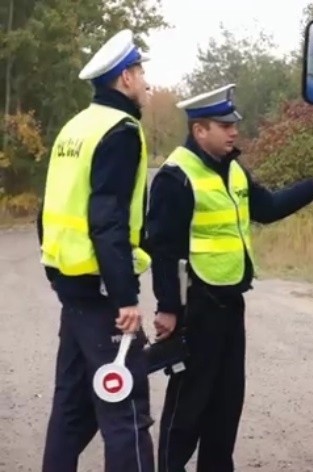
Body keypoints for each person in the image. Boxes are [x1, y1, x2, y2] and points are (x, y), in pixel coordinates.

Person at [145, 83, 313, 471]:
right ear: (200, 130)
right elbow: (163, 249)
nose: (233, 131)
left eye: (233, 123)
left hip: (230, 303)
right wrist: (168, 308)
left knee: (225, 404)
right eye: (224, 125)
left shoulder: (232, 168)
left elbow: (267, 208)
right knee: (189, 403)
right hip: (195, 307)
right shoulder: (176, 176)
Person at [37, 29, 155, 471]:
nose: (145, 82)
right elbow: (108, 221)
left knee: (70, 411)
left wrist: (59, 272)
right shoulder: (120, 130)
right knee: (124, 406)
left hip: (73, 287)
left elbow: (46, 209)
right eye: (141, 73)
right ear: (125, 78)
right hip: (102, 291)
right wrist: (125, 296)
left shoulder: (75, 127)